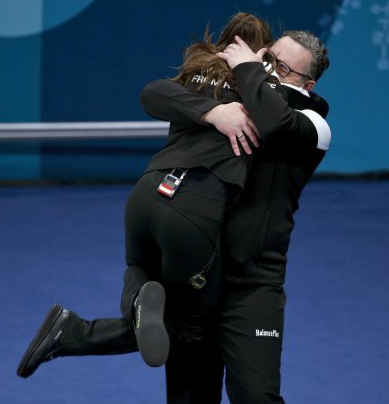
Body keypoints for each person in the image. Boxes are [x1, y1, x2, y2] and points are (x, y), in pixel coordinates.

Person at [17, 12, 276, 376]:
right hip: (195, 209)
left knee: (140, 265)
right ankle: (74, 332)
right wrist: (224, 110)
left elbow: (152, 92)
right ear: (262, 53)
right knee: (190, 327)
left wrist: (208, 109)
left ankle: (138, 299)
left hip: (148, 194)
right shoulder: (262, 91)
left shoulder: (198, 74)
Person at [141, 30, 331, 403]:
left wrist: (247, 69)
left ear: (307, 84)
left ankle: (76, 333)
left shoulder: (313, 125)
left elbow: (275, 121)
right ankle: (77, 333)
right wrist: (212, 111)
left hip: (253, 287)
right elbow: (154, 94)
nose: (269, 70)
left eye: (282, 68)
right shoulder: (231, 99)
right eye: (269, 57)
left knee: (256, 397)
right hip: (197, 272)